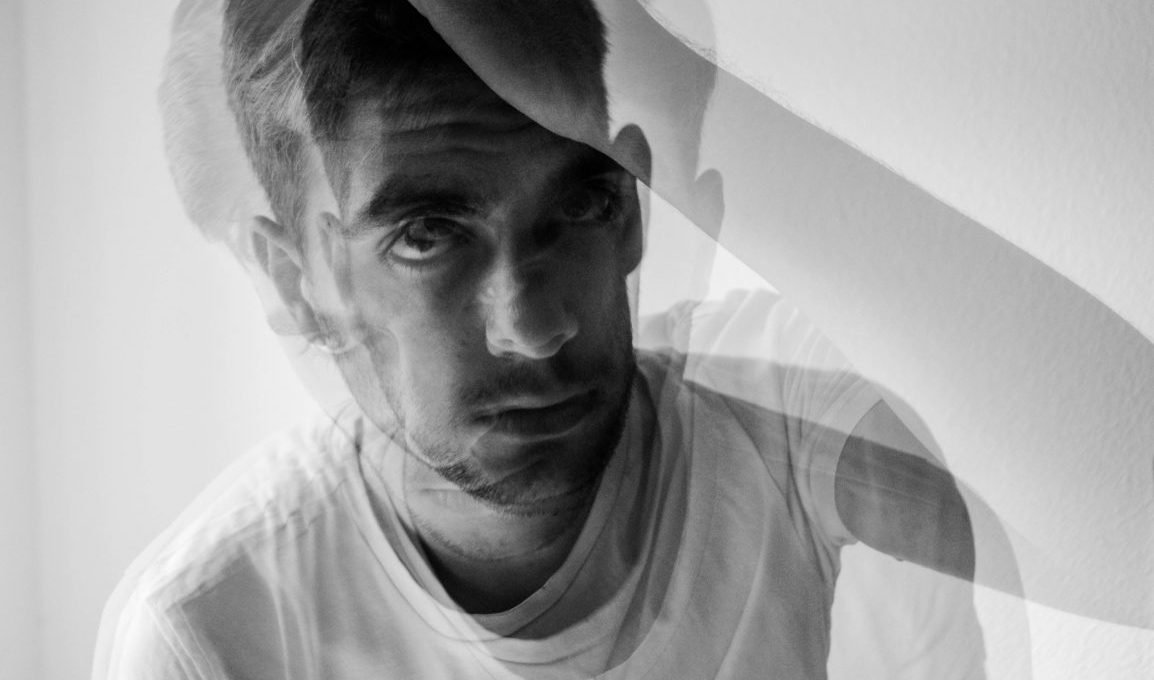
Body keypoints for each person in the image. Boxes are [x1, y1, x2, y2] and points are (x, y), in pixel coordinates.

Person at [93, 0, 988, 677]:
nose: (533, 325)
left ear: (633, 208)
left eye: (581, 201)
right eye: (427, 236)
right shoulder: (210, 638)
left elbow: (1065, 420)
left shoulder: (795, 428)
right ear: (300, 282)